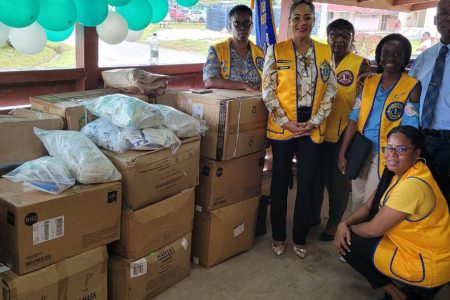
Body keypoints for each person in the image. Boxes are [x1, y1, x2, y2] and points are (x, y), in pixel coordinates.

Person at [335, 126, 450, 300]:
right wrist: (344, 223)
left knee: (350, 242)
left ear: (417, 152)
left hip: (428, 263)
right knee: (350, 234)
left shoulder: (413, 185)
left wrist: (347, 229)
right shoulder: (404, 172)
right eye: (389, 148)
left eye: (401, 149)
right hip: (418, 249)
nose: (391, 154)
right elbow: (368, 205)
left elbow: (373, 229)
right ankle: (400, 292)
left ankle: (400, 295)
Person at [262, 0, 337, 258]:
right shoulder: (276, 51)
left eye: (307, 18)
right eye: (296, 18)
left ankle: (300, 237)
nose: (301, 23)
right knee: (280, 181)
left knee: (306, 184)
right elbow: (268, 92)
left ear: (314, 20)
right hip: (283, 127)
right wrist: (287, 122)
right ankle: (279, 236)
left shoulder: (325, 52)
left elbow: (331, 90)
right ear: (290, 22)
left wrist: (314, 122)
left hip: (313, 127)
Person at [338, 33, 421, 212]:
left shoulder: (412, 86)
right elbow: (354, 119)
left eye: (398, 54)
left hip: (385, 154)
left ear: (405, 58)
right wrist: (342, 153)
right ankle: (354, 235)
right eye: (386, 53)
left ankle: (367, 235)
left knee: (372, 199)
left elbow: (410, 129)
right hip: (360, 149)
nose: (391, 57)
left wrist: (402, 159)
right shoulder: (368, 82)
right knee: (357, 197)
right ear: (379, 57)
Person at [311, 19, 371, 241]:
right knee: (315, 178)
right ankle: (312, 216)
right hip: (316, 131)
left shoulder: (360, 64)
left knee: (337, 182)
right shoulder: (319, 60)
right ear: (327, 37)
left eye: (346, 35)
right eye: (334, 34)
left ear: (352, 39)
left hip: (344, 134)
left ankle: (335, 223)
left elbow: (364, 102)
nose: (339, 40)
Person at [408, 0, 450, 197]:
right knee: (422, 191)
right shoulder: (425, 57)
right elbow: (409, 93)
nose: (448, 17)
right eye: (443, 13)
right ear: (435, 19)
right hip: (422, 136)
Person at [203, 4, 264, 91]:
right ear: (230, 25)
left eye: (246, 23)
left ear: (251, 25)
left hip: (255, 102)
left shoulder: (260, 52)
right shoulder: (217, 50)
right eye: (237, 23)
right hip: (228, 103)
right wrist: (244, 86)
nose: (242, 27)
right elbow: (209, 81)